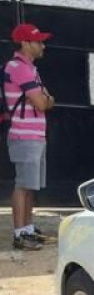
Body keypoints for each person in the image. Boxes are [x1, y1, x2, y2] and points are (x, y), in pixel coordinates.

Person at [3, 22, 55, 250]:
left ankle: (28, 229)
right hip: (24, 135)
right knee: (23, 185)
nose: (43, 46)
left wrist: (45, 98)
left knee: (30, 185)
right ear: (25, 43)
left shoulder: (29, 69)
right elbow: (43, 103)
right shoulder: (20, 68)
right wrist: (45, 98)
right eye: (38, 41)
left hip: (34, 135)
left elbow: (45, 100)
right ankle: (20, 234)